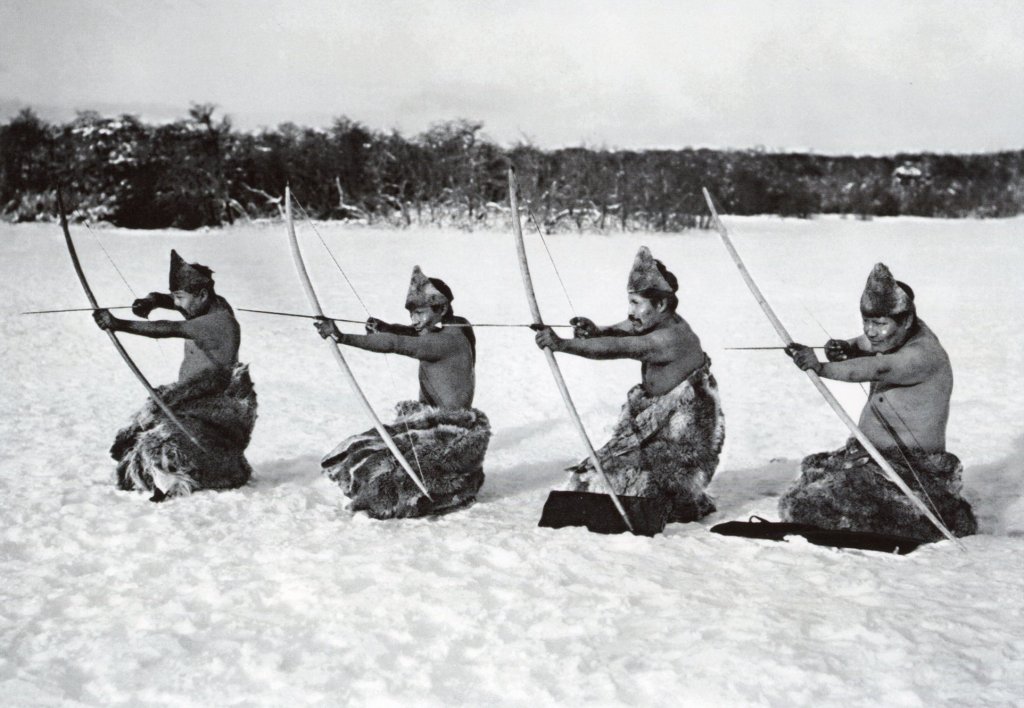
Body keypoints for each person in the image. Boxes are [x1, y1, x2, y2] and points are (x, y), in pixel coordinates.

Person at [781, 262, 976, 540]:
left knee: (814, 506)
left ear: (906, 321)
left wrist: (820, 367)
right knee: (813, 483)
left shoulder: (923, 354)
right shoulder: (894, 335)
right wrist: (845, 347)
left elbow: (878, 368)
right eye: (867, 322)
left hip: (911, 469)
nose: (871, 331)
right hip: (873, 458)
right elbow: (863, 343)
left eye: (880, 324)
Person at [532, 246, 725, 522]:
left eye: (636, 303)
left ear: (660, 305)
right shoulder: (656, 320)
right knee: (592, 478)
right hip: (657, 433)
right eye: (630, 302)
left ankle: (682, 501)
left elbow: (619, 347)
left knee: (621, 486)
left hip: (682, 444)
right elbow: (623, 330)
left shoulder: (670, 338)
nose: (631, 311)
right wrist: (596, 331)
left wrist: (562, 345)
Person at [314, 266, 490, 518]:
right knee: (356, 450)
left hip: (448, 433)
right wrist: (388, 327)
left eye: (420, 313)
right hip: (433, 421)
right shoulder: (459, 326)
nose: (414, 320)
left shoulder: (444, 342)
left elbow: (398, 343)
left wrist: (341, 337)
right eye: (411, 314)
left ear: (441, 309)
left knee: (381, 473)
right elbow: (411, 333)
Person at [93, 250, 257, 501]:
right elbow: (169, 300)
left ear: (202, 295)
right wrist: (151, 301)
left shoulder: (219, 321)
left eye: (181, 298)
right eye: (175, 297)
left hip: (215, 409)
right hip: (191, 399)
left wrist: (119, 324)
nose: (177, 304)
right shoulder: (208, 304)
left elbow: (169, 328)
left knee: (167, 443)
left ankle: (175, 477)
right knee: (140, 435)